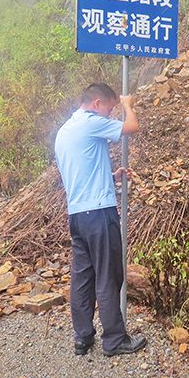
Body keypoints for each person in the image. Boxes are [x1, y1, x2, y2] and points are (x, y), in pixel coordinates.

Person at [54, 83, 147, 357]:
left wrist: (111, 176)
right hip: (99, 214)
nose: (109, 114)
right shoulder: (91, 121)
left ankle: (83, 337)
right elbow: (132, 127)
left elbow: (83, 170)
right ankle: (115, 340)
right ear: (97, 104)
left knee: (82, 278)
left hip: (78, 215)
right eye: (109, 109)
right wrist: (128, 105)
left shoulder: (66, 130)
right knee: (108, 275)